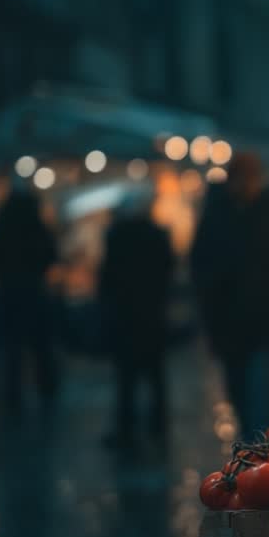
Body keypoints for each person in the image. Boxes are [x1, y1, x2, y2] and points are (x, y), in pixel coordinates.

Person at [192, 153, 269, 437]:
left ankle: (268, 464)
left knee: (264, 404)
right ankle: (255, 463)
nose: (246, 185)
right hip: (232, 329)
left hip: (268, 326)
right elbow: (203, 274)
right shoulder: (217, 216)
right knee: (242, 400)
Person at [98, 190, 174, 448]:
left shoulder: (116, 237)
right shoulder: (158, 236)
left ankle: (127, 428)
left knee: (126, 378)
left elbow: (107, 278)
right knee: (155, 375)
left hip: (124, 318)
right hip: (152, 316)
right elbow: (168, 271)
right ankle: (158, 425)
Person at [0, 185, 59, 408]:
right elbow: (49, 255)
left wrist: (4, 275)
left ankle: (13, 393)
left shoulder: (2, 228)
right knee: (40, 344)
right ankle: (46, 388)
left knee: (12, 346)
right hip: (34, 291)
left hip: (9, 292)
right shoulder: (36, 227)